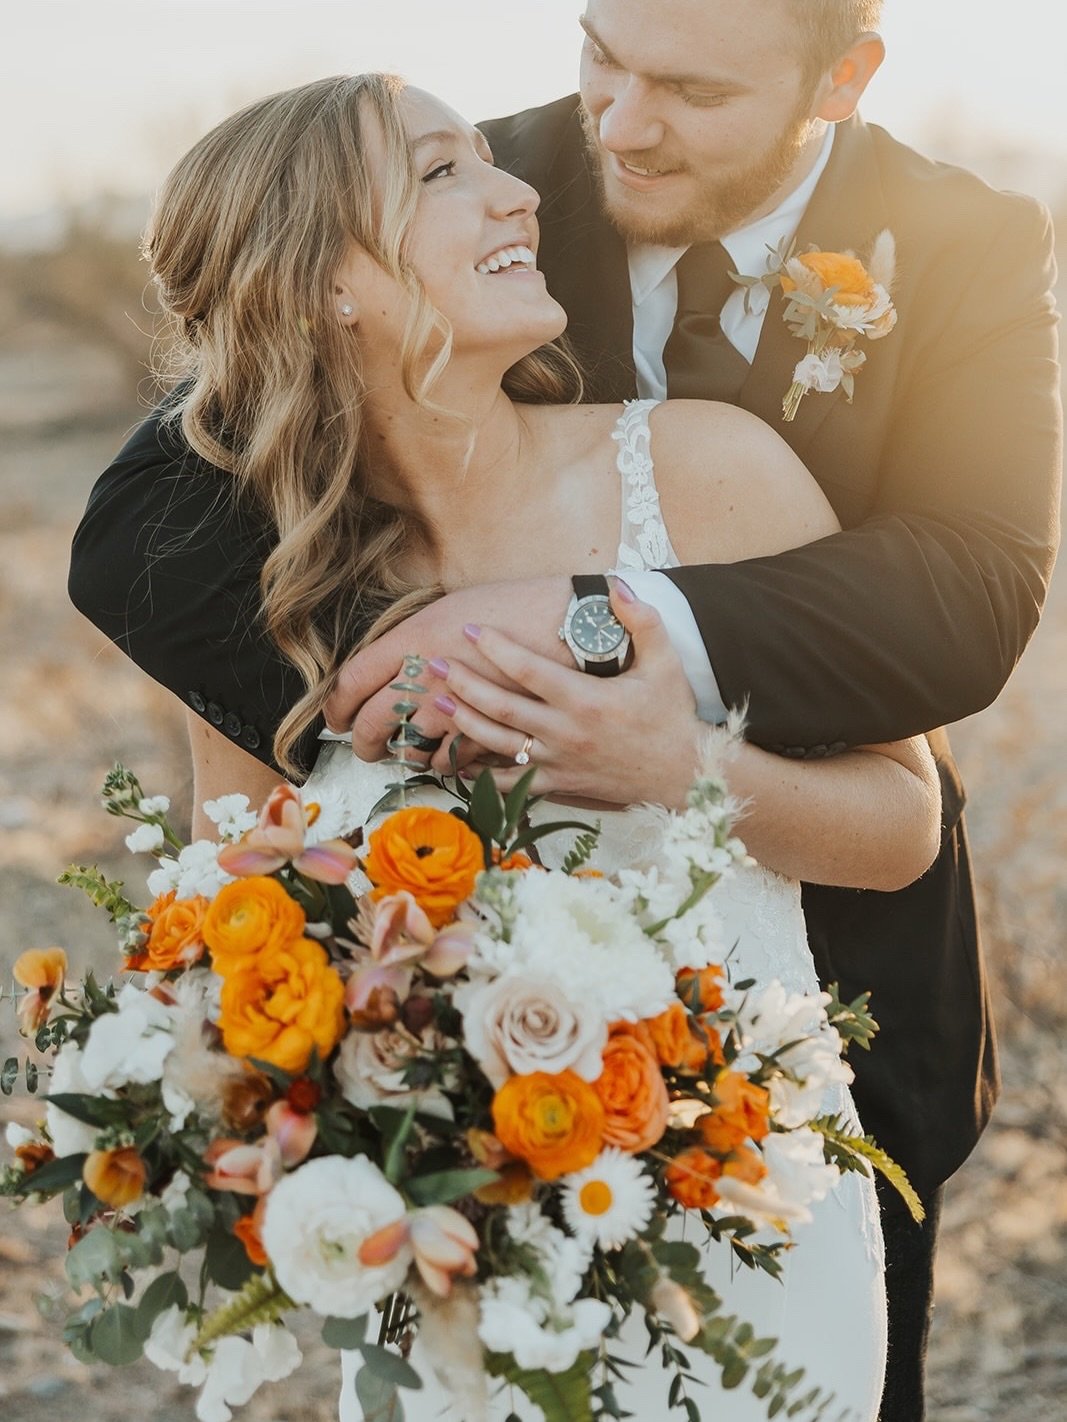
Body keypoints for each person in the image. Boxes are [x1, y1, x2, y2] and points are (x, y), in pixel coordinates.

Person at [67, 4, 1062, 1417]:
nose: (613, 125)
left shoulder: (939, 260)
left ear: (839, 80)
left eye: (691, 90)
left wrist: (608, 651)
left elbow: (969, 591)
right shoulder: (294, 533)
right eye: (603, 54)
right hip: (456, 1194)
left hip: (792, 1078)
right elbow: (141, 536)